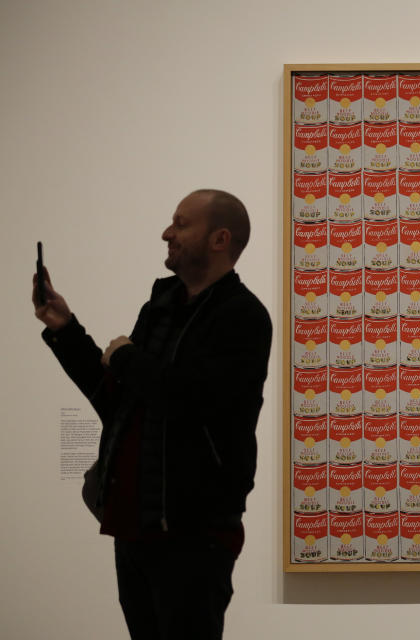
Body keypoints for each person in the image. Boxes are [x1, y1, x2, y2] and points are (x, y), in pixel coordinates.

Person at [32, 189, 272, 639]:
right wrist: (67, 331)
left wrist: (125, 358)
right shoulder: (160, 308)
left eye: (181, 224)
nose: (167, 233)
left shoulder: (243, 316)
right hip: (136, 527)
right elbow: (121, 403)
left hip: (193, 536)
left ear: (220, 239)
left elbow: (193, 402)